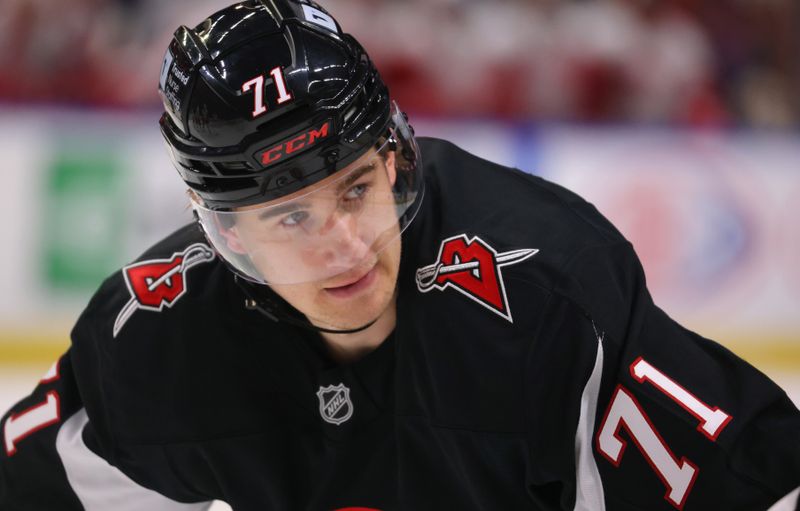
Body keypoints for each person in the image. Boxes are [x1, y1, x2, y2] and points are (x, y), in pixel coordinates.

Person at [1, 1, 799, 510]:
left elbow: (762, 485)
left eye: (354, 190)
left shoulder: (550, 293)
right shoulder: (154, 340)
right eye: (289, 218)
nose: (343, 247)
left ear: (390, 161)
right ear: (228, 235)